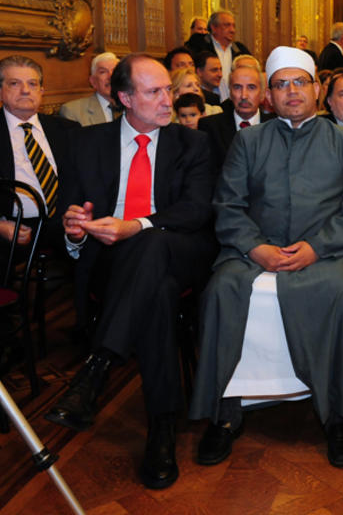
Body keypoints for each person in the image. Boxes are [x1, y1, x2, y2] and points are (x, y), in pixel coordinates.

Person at [188, 47, 343, 470]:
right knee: (223, 288)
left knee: (341, 292)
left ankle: (340, 415)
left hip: (328, 252)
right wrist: (255, 247)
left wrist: (316, 247)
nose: (291, 92)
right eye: (280, 85)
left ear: (317, 88)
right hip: (254, 249)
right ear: (268, 96)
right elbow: (228, 205)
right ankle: (225, 414)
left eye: (299, 82)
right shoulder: (249, 141)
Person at [45, 53, 218, 490]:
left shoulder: (192, 143)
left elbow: (197, 211)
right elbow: (69, 217)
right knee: (155, 293)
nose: (169, 100)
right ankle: (162, 427)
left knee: (153, 241)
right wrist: (77, 231)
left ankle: (98, 367)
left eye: (169, 90)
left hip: (181, 249)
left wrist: (136, 226)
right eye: (155, 91)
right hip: (113, 263)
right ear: (124, 97)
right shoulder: (86, 143)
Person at [0, 55, 76, 251]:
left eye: (32, 84)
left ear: (42, 91)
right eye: (14, 83)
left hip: (65, 223)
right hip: (12, 225)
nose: (25, 91)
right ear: (1, 91)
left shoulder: (69, 130)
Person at [197, 63, 273, 171]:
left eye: (251, 87)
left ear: (262, 93)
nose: (244, 95)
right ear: (230, 93)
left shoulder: (276, 127)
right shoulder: (210, 127)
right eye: (237, 87)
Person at [185, 10, 252, 99]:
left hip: (234, 99)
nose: (232, 30)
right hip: (206, 98)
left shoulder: (240, 49)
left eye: (233, 26)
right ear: (214, 28)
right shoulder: (199, 43)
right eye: (227, 25)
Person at [59, 52, 121, 126]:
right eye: (103, 72)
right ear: (93, 82)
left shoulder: (132, 107)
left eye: (115, 71)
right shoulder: (72, 111)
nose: (110, 77)